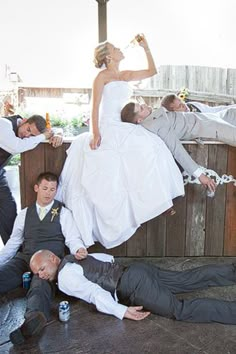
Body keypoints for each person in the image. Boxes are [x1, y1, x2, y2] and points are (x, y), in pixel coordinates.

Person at [56, 35, 185, 249]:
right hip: (107, 126)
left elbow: (152, 71)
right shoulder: (101, 77)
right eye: (115, 48)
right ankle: (130, 212)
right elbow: (95, 105)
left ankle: (155, 200)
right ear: (108, 56)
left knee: (153, 146)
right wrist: (96, 132)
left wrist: (146, 48)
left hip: (123, 125)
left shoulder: (125, 75)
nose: (120, 49)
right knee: (114, 170)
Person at [31, 249, 236, 325]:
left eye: (41, 269)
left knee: (180, 310)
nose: (41, 275)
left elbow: (94, 292)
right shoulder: (74, 256)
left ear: (52, 258)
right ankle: (232, 271)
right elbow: (107, 258)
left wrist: (121, 310)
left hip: (132, 285)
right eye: (37, 274)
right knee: (187, 279)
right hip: (135, 270)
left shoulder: (65, 276)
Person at [0, 172, 87, 345]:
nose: (48, 193)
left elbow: (72, 238)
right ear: (36, 188)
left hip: (48, 262)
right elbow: (13, 242)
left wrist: (79, 248)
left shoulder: (63, 212)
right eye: (45, 188)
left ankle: (32, 322)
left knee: (40, 288)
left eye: (53, 189)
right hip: (25, 258)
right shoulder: (25, 214)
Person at [120, 102, 236, 192]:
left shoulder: (154, 117)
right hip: (207, 126)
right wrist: (200, 175)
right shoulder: (156, 125)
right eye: (141, 108)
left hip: (207, 117)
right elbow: (177, 149)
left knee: (232, 112)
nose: (144, 105)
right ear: (139, 120)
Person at [0, 114, 63, 245]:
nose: (27, 135)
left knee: (8, 209)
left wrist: (57, 134)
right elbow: (16, 146)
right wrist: (42, 136)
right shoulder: (4, 124)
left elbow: (53, 129)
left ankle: (12, 251)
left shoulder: (31, 126)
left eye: (32, 135)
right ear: (23, 121)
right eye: (28, 129)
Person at [161, 93, 236, 114]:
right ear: (174, 112)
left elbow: (212, 110)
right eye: (179, 106)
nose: (184, 105)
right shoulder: (184, 121)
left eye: (181, 101)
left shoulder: (191, 105)